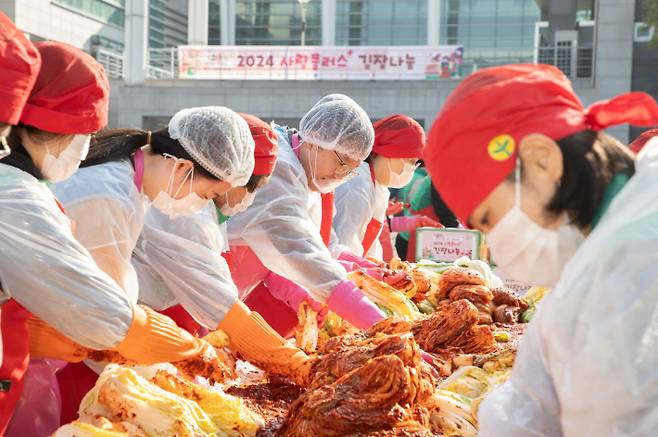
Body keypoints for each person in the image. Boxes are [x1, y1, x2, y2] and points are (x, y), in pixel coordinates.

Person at [424, 63, 658, 436]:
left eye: (488, 220)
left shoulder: (633, 255)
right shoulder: (592, 268)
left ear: (541, 160)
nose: (496, 244)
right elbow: (527, 406)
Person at [0, 41, 217, 434]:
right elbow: (101, 310)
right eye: (84, 133)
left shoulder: (23, 186)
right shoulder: (17, 194)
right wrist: (191, 350)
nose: (86, 147)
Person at [48, 105, 256, 421]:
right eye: (207, 195)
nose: (202, 205)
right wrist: (180, 355)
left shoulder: (128, 185)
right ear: (184, 168)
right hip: (31, 335)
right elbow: (105, 314)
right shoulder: (109, 196)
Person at [131, 113, 312, 385]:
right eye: (251, 189)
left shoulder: (201, 203)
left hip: (153, 320)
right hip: (130, 326)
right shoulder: (186, 212)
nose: (250, 201)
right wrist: (296, 362)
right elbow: (224, 307)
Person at [227, 95, 385, 336]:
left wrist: (297, 291)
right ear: (316, 140)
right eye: (342, 162)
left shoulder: (305, 176)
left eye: (351, 170)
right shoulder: (278, 173)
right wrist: (383, 326)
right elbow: (305, 257)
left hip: (222, 302)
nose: (341, 174)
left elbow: (288, 251)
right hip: (194, 300)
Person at [332, 114, 440, 260]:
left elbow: (371, 244)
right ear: (389, 152)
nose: (412, 168)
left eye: (416, 163)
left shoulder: (378, 187)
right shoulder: (355, 186)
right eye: (410, 161)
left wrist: (380, 269)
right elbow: (343, 248)